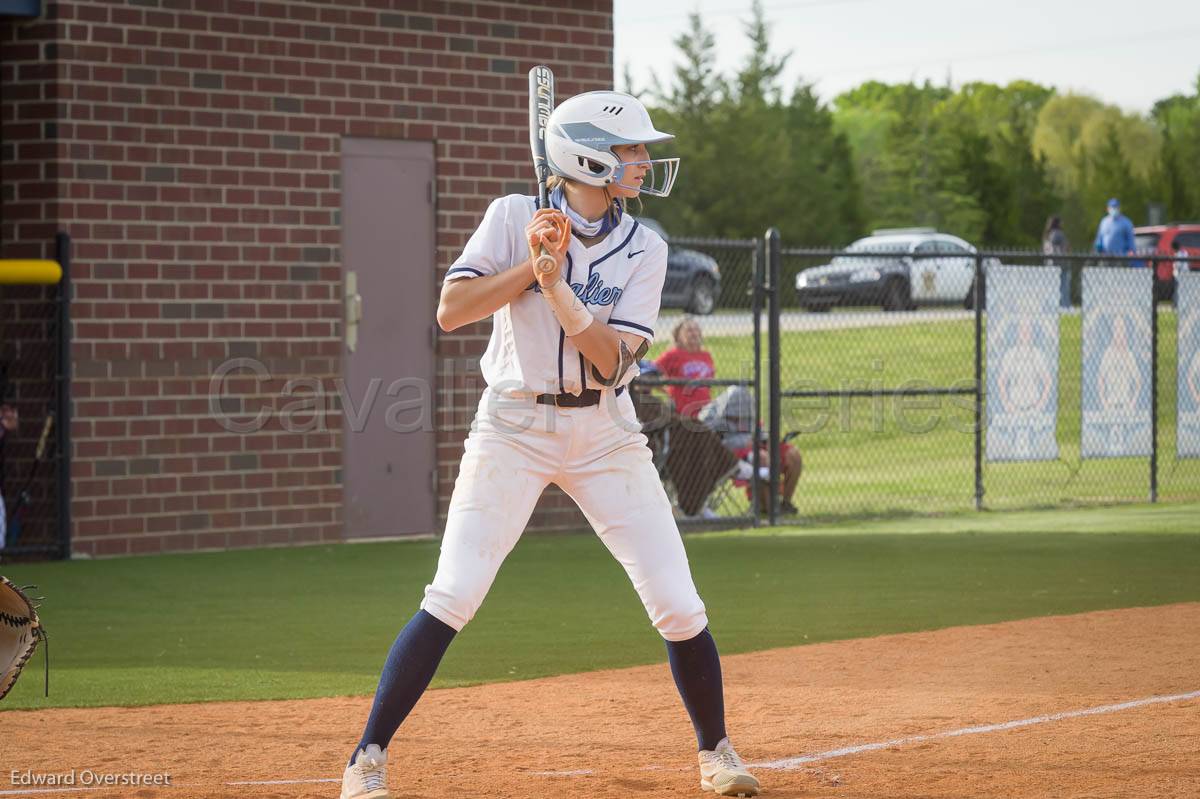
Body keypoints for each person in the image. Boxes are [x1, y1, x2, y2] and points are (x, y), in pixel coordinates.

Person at [340, 91, 760, 799]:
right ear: (587, 159)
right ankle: (366, 757)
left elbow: (612, 363)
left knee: (678, 603)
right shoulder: (513, 216)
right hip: (514, 424)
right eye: (630, 152)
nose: (643, 163)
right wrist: (529, 264)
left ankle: (716, 751)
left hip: (605, 430)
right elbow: (451, 311)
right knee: (454, 591)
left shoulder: (647, 248)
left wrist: (559, 289)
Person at [656, 317, 716, 419]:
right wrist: (667, 391)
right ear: (678, 335)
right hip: (683, 413)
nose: (694, 333)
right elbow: (649, 372)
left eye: (696, 329)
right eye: (689, 330)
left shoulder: (706, 355)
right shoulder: (673, 354)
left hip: (706, 410)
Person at [1043, 216, 1071, 307]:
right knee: (1064, 287)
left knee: (1052, 287)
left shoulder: (1048, 234)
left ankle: (1052, 305)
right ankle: (1065, 305)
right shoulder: (1058, 234)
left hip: (1051, 264)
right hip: (1060, 264)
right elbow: (1065, 247)